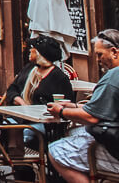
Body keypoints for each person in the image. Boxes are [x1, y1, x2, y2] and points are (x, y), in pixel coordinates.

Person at [48, 30, 119, 182]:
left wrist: (61, 111)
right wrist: (73, 107)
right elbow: (99, 109)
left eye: (100, 54)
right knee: (75, 134)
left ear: (114, 52)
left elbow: (92, 117)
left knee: (56, 151)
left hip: (116, 153)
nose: (98, 60)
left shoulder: (113, 77)